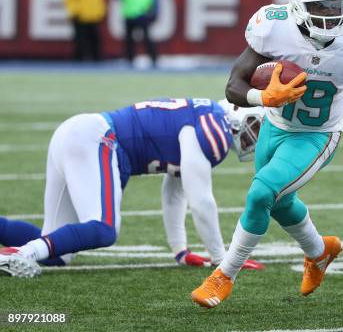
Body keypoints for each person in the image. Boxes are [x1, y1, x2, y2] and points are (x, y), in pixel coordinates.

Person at [190, 0, 343, 309]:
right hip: (274, 126)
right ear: (296, 3)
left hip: (317, 134)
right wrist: (262, 97)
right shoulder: (273, 26)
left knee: (261, 194)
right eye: (319, 5)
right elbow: (233, 85)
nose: (330, 13)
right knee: (279, 204)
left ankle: (224, 274)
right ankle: (319, 252)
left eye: (337, 4)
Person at [0, 98, 265, 277]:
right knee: (103, 229)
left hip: (80, 135)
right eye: (256, 124)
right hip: (96, 138)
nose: (257, 135)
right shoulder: (214, 128)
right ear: (238, 113)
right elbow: (201, 201)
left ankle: (20, 245)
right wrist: (221, 259)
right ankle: (20, 253)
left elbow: (175, 192)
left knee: (58, 255)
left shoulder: (205, 116)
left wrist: (180, 250)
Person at [117, 0, 158, 67]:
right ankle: (130, 60)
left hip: (142, 13)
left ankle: (153, 59)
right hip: (129, 13)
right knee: (129, 41)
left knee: (147, 39)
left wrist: (153, 11)